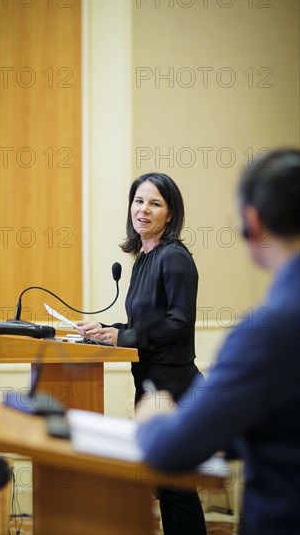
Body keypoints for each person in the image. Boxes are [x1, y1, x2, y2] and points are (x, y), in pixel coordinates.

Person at [135, 150, 300, 535]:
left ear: (251, 221)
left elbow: (171, 449)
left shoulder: (267, 331)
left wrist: (153, 416)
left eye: (154, 202)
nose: (143, 209)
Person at [77, 172, 206, 535]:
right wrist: (109, 331)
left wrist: (124, 336)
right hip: (150, 384)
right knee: (166, 487)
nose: (144, 210)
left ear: (170, 213)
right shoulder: (143, 260)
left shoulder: (175, 258)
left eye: (155, 203)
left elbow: (178, 322)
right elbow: (145, 323)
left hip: (174, 387)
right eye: (138, 201)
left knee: (177, 487)